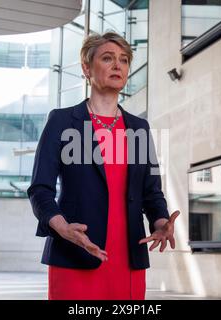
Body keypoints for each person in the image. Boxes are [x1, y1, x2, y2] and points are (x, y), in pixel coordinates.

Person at [27, 31, 180, 300]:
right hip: (75, 252)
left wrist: (161, 221)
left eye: (123, 60)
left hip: (128, 256)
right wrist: (63, 227)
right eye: (107, 58)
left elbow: (151, 192)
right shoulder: (62, 121)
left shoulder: (139, 128)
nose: (117, 65)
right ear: (87, 68)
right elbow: (40, 189)